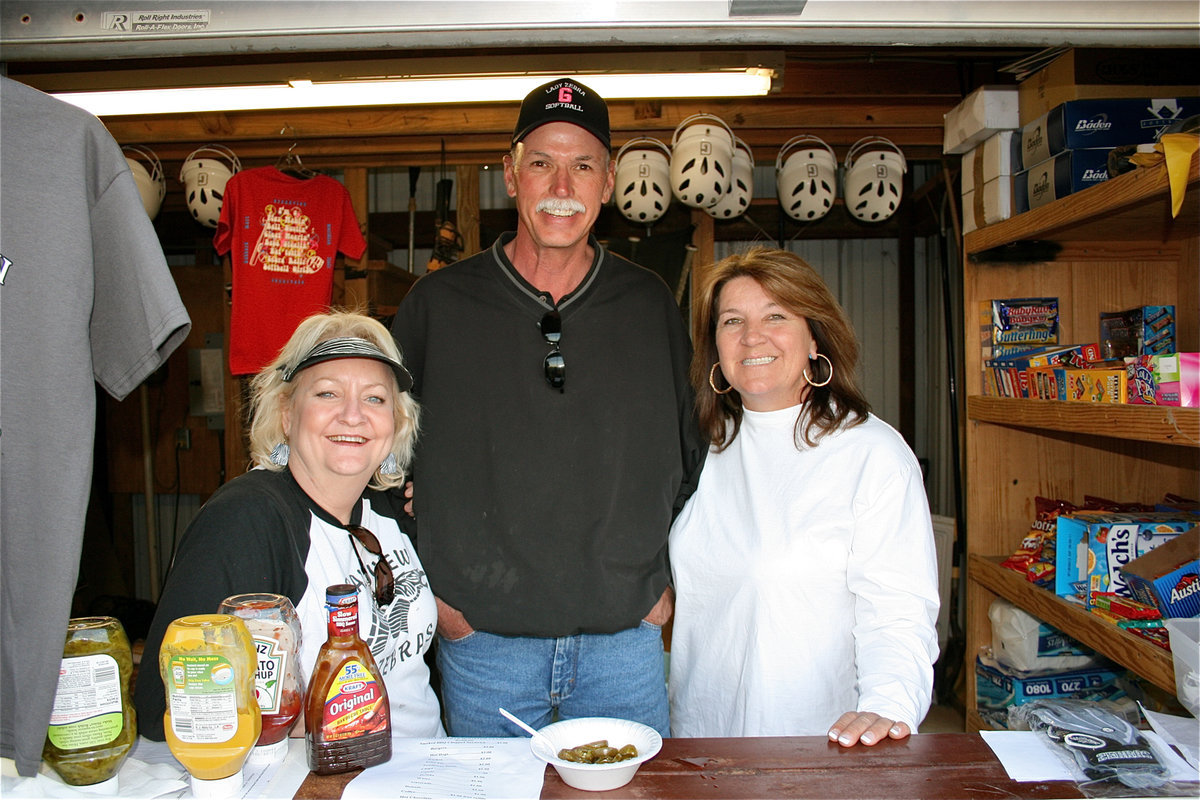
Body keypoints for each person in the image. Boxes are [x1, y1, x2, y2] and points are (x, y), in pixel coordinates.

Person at [390, 78, 704, 738]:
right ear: (511, 174)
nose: (562, 185)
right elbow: (381, 462)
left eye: (583, 165)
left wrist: (661, 586)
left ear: (609, 181)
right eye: (542, 162)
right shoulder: (438, 307)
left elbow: (693, 455)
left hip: (625, 643)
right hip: (484, 644)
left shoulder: (648, 307)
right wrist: (440, 598)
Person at [668, 247, 940, 746]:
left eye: (776, 315)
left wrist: (887, 704)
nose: (752, 337)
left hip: (815, 746)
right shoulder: (702, 446)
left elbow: (898, 611)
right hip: (702, 738)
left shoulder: (871, 454)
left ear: (815, 336)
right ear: (715, 348)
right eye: (732, 321)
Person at [134, 310, 444, 740]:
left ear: (396, 423)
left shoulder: (387, 509)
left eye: (375, 398)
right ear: (286, 413)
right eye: (327, 394)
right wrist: (303, 719)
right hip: (325, 780)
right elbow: (162, 704)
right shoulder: (247, 520)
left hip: (429, 769)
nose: (353, 415)